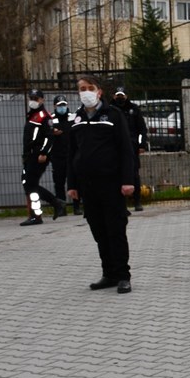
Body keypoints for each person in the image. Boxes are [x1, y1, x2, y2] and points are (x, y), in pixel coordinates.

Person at [69, 74, 136, 294]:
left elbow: (126, 150)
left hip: (112, 183)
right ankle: (109, 273)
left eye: (89, 88)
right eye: (81, 88)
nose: (85, 92)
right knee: (98, 230)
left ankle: (123, 276)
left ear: (99, 91)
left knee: (115, 229)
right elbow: (73, 153)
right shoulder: (77, 119)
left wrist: (128, 181)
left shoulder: (113, 115)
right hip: (88, 186)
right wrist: (73, 184)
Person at [20, 88, 65, 226]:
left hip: (38, 154)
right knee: (27, 184)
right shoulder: (32, 115)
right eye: (31, 98)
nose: (33, 101)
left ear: (42, 100)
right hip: (29, 154)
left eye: (36, 99)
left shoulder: (44, 116)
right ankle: (46, 208)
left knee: (30, 184)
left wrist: (44, 152)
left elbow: (49, 136)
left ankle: (47, 208)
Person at [112, 87, 148, 213]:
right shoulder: (111, 109)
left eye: (122, 95)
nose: (120, 98)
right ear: (114, 96)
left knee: (134, 175)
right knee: (116, 176)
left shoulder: (134, 109)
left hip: (131, 146)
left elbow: (141, 129)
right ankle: (122, 205)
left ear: (126, 96)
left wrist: (141, 145)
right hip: (115, 148)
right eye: (117, 95)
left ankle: (137, 201)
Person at [49, 95, 77, 215]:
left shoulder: (74, 117)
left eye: (64, 105)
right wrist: (52, 133)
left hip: (72, 154)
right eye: (60, 105)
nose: (62, 107)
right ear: (55, 106)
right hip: (57, 155)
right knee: (59, 182)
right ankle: (61, 208)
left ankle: (77, 207)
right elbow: (45, 134)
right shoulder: (50, 118)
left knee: (75, 181)